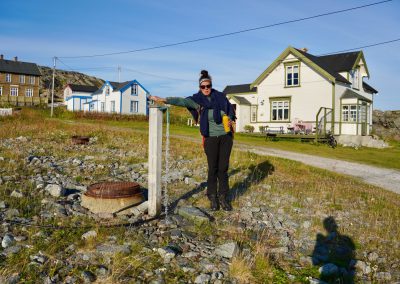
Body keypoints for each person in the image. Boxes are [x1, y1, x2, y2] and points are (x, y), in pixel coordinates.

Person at [149, 70, 236, 211]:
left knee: (223, 169)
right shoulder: (197, 101)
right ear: (200, 87)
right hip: (210, 139)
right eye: (203, 87)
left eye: (208, 86)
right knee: (213, 168)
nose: (206, 89)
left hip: (226, 137)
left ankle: (223, 197)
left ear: (211, 85)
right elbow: (182, 101)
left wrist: (231, 118)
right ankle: (212, 197)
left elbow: (230, 111)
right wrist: (164, 99)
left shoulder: (220, 97)